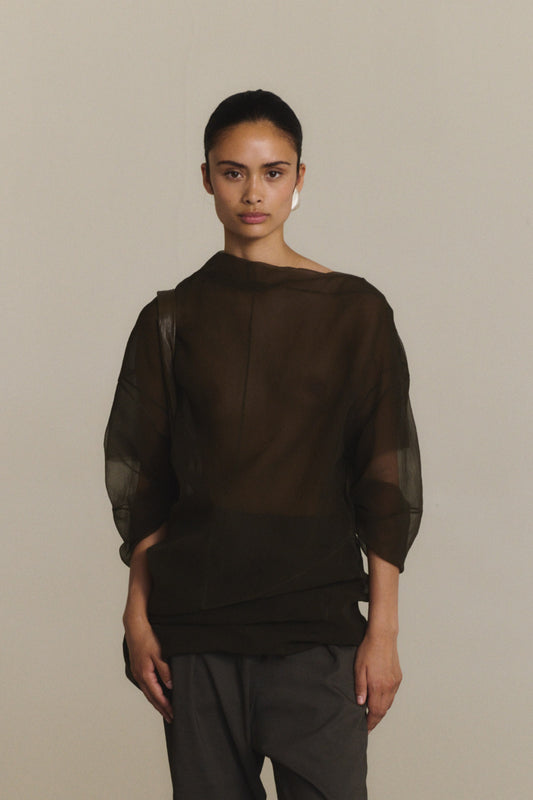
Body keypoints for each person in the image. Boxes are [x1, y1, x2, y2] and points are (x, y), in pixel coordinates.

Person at [104, 89, 423, 800]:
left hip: (316, 629)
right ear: (206, 178)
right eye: (233, 172)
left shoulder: (354, 312)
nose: (253, 193)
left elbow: (384, 484)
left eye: (273, 172)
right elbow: (148, 483)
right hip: (195, 629)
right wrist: (136, 614)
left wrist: (384, 633)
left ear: (299, 178)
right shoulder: (169, 320)